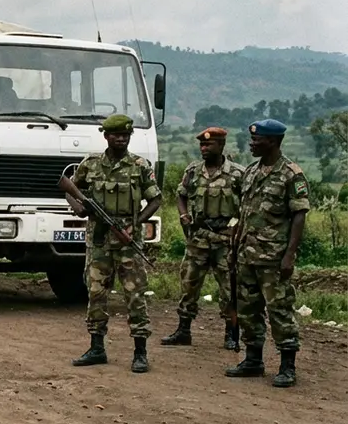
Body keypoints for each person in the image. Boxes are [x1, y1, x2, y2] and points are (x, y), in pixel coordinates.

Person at [59, 114, 162, 373]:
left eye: (126, 135)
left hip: (127, 240)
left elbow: (155, 200)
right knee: (96, 294)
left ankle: (140, 352)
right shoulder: (91, 164)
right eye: (116, 134)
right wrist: (79, 208)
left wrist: (134, 224)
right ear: (106, 136)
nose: (121, 138)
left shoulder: (139, 165)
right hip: (99, 240)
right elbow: (69, 187)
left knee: (135, 296)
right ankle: (96, 348)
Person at [226, 119, 309, 388]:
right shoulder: (251, 171)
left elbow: (299, 215)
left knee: (279, 310)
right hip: (246, 255)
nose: (252, 143)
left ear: (273, 142)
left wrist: (289, 255)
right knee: (249, 310)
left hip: (273, 258)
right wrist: (234, 246)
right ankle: (253, 360)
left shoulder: (291, 174)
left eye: (257, 140)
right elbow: (244, 212)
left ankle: (287, 366)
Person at [163, 127, 245, 349]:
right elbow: (181, 194)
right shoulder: (193, 171)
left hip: (225, 239)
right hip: (198, 238)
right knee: (189, 284)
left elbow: (247, 206)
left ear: (221, 146)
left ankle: (230, 333)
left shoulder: (237, 174)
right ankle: (183, 330)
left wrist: (237, 228)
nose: (204, 148)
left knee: (229, 288)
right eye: (202, 145)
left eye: (209, 144)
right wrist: (183, 215)